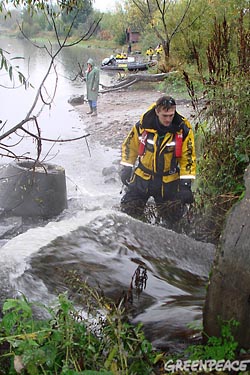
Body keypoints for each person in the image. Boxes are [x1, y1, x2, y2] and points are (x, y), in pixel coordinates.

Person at [119, 95, 196, 224]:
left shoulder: (183, 130)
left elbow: (188, 157)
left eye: (171, 115)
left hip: (168, 181)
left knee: (173, 221)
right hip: (143, 177)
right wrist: (127, 166)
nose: (168, 119)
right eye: (165, 116)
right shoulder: (143, 125)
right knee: (129, 213)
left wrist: (185, 185)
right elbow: (129, 146)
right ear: (157, 112)